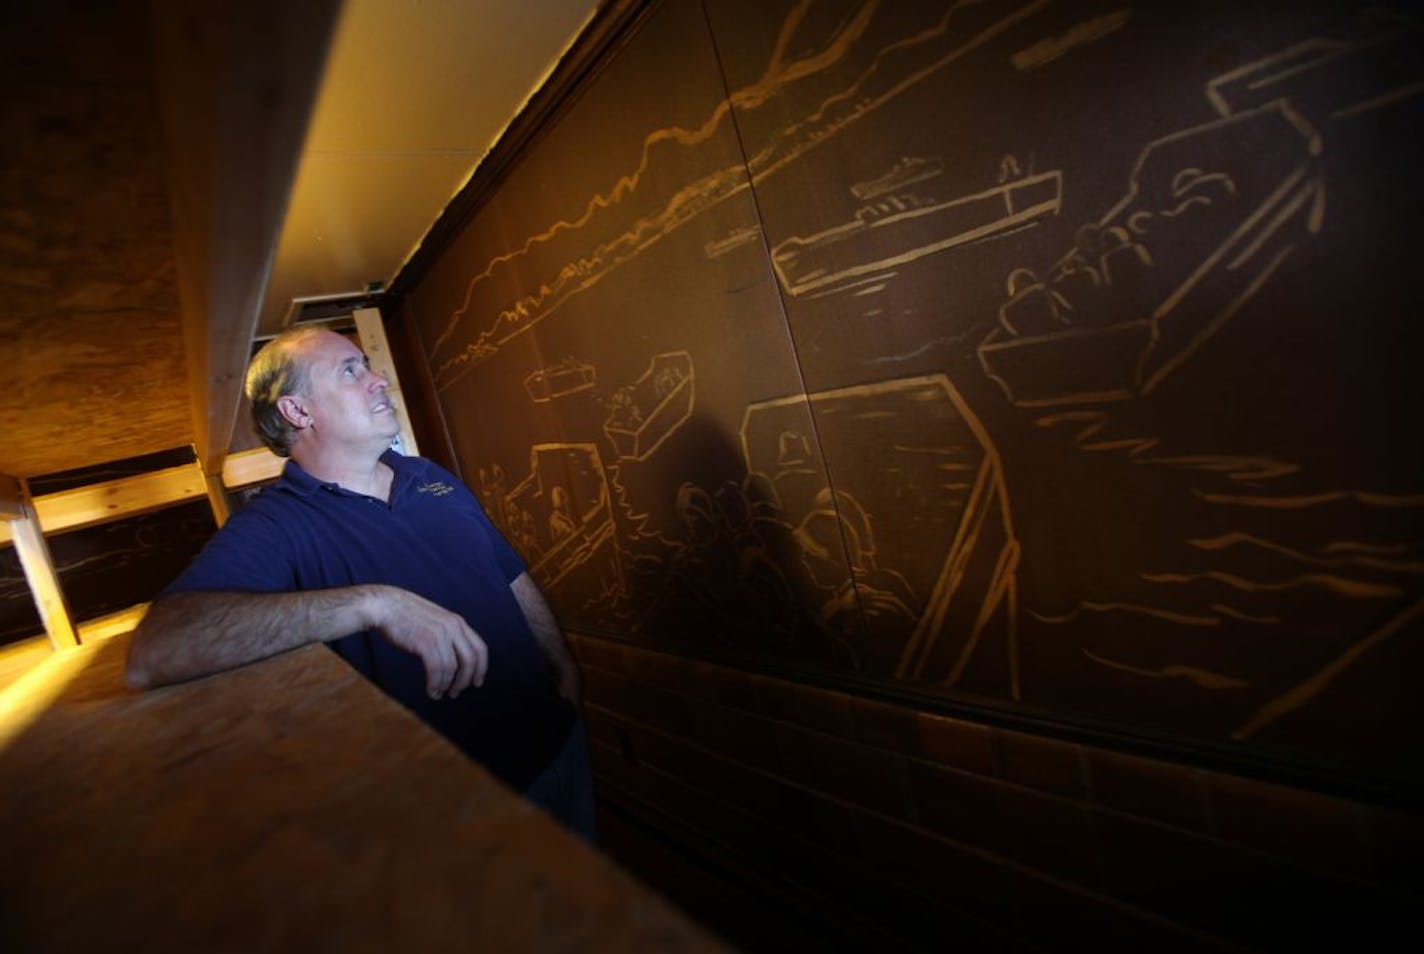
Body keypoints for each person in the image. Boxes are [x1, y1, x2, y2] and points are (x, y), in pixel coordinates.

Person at [125, 326, 594, 841]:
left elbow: (510, 574)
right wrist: (375, 603)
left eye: (368, 366)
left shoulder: (428, 476)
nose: (379, 381)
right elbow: (157, 650)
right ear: (297, 412)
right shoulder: (277, 525)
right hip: (461, 804)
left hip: (556, 739)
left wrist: (563, 663)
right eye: (351, 371)